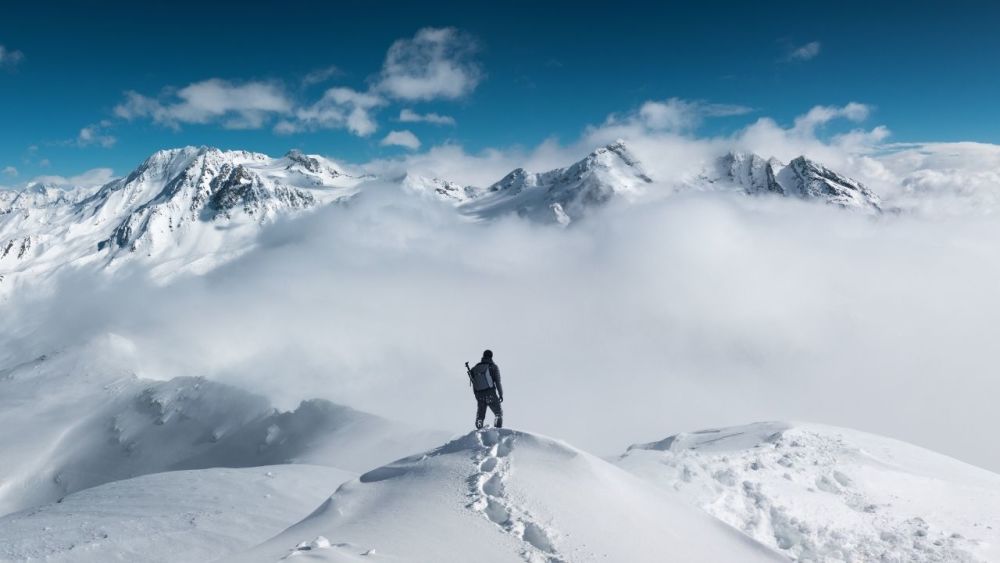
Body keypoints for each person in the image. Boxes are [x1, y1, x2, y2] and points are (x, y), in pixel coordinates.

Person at [468, 349, 503, 429]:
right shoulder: (493, 367)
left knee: (481, 412)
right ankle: (498, 429)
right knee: (498, 412)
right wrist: (500, 394)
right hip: (490, 393)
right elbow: (497, 382)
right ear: (491, 356)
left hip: (479, 394)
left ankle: (479, 425)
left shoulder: (475, 368)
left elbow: (474, 382)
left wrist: (476, 395)